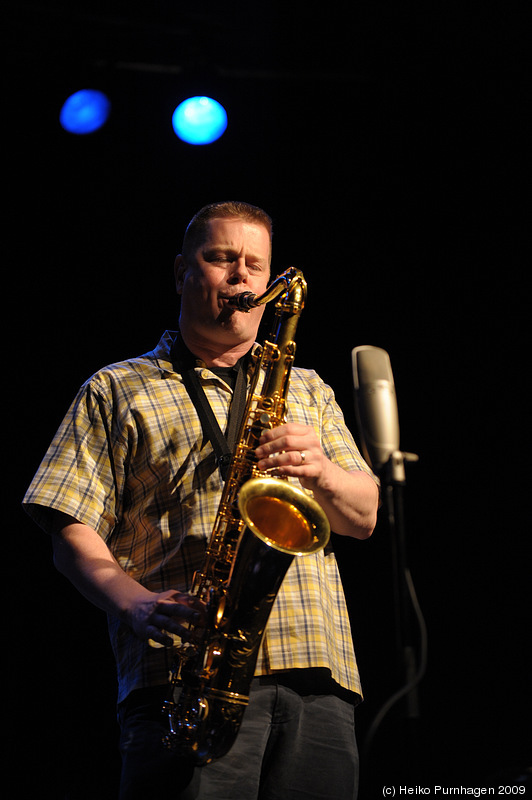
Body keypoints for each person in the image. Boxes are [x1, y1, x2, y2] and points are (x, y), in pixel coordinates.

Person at [23, 201, 379, 800]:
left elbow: (363, 516)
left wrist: (320, 469)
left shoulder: (308, 388)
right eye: (221, 259)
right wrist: (134, 605)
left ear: (269, 287)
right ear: (182, 272)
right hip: (185, 677)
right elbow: (69, 528)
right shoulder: (117, 387)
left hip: (316, 674)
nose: (241, 276)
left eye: (255, 265)